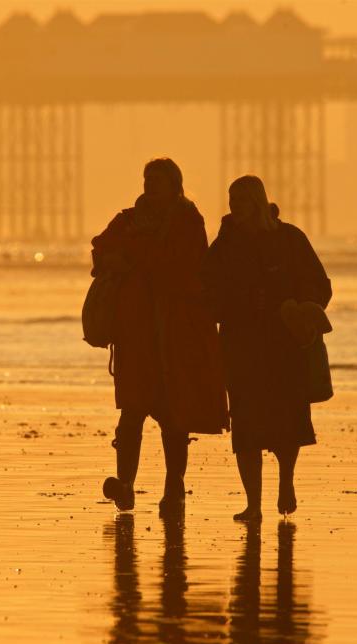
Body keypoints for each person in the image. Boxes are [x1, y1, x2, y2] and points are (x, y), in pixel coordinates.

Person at [90, 158, 228, 514]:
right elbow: (101, 249)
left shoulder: (187, 220)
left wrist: (133, 255)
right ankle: (126, 486)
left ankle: (174, 486)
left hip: (175, 333)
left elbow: (185, 267)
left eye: (159, 181)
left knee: (173, 415)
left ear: (175, 185)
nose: (151, 186)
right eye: (148, 179)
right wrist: (115, 260)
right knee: (131, 412)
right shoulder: (129, 218)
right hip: (134, 335)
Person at [202, 175, 332, 521]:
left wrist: (303, 309)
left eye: (241, 201)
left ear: (257, 202)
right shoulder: (225, 244)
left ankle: (286, 483)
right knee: (245, 425)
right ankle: (254, 504)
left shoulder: (290, 239)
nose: (234, 208)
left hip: (285, 344)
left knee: (288, 422)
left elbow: (321, 285)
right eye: (231, 201)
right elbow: (208, 290)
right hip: (240, 344)